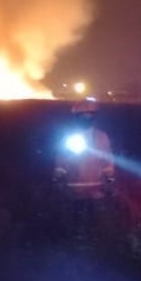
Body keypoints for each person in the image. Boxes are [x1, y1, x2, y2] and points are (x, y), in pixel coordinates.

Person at [53, 100, 115, 238]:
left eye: (90, 115)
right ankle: (77, 240)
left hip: (96, 188)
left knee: (95, 221)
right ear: (76, 117)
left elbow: (107, 159)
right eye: (83, 115)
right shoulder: (68, 136)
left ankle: (93, 243)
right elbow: (62, 159)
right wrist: (58, 176)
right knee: (76, 219)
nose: (87, 118)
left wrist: (110, 178)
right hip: (75, 187)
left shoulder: (101, 136)